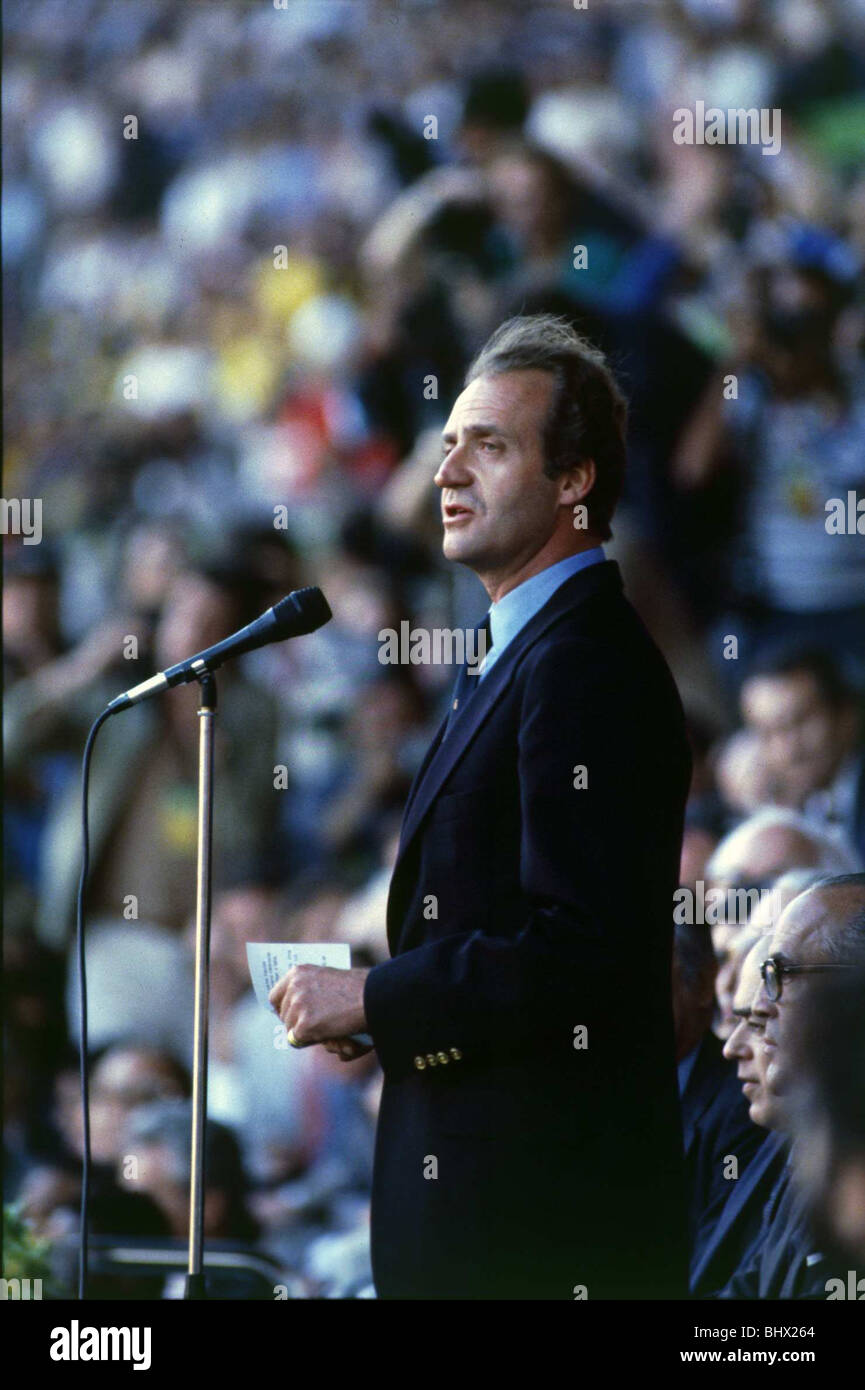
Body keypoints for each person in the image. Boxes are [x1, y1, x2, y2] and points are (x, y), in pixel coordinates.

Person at [270, 313, 692, 1298]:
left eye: (488, 445)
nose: (446, 471)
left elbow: (580, 950)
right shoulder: (521, 652)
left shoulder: (585, 666)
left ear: (573, 479)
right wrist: (384, 1010)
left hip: (541, 1232)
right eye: (448, 442)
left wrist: (377, 997)